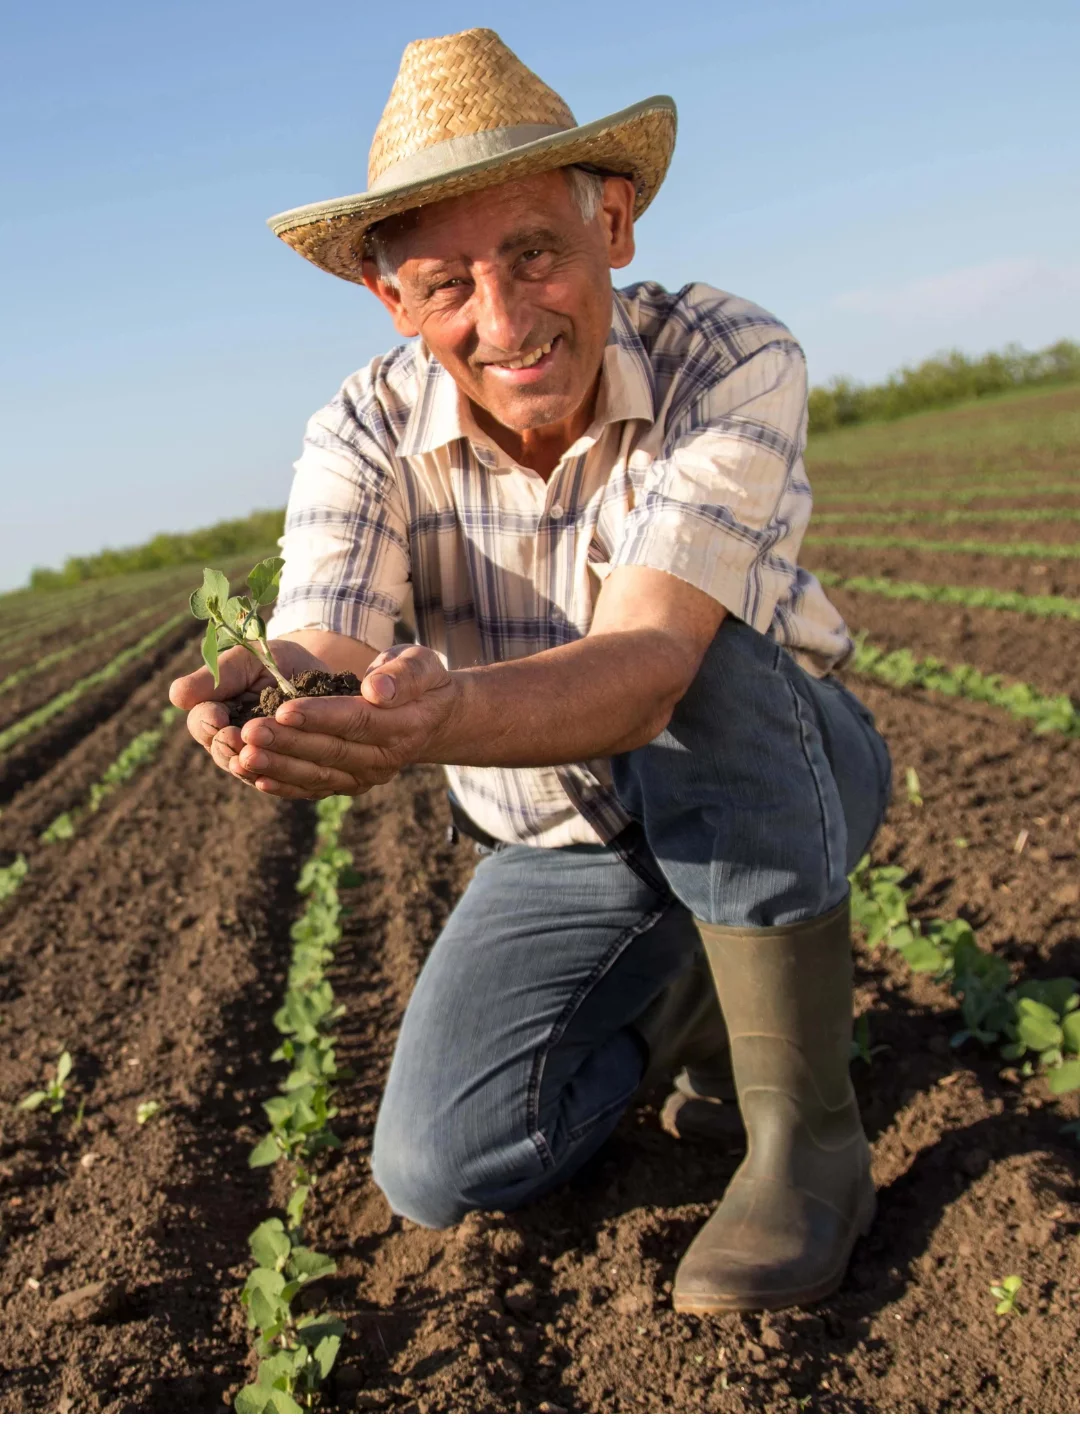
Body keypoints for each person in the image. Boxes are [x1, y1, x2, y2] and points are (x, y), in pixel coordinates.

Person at [170, 28, 892, 1314]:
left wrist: (435, 718)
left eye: (536, 256)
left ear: (613, 223)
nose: (504, 322)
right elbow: (332, 633)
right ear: (394, 303)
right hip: (565, 841)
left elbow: (652, 665)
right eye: (446, 285)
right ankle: (692, 1000)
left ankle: (808, 1144)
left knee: (711, 662)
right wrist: (287, 692)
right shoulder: (362, 427)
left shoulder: (726, 356)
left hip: (776, 776)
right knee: (442, 1164)